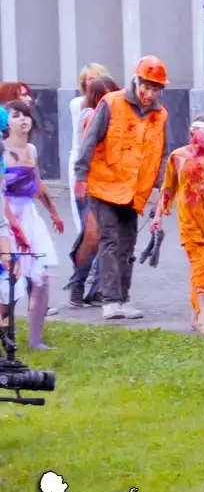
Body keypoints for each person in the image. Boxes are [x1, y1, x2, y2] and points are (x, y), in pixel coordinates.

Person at [73, 56, 170, 321]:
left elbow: (161, 154)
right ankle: (111, 301)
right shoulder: (111, 103)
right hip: (104, 185)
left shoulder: (160, 115)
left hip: (134, 191)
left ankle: (123, 298)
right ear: (136, 81)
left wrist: (163, 188)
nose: (149, 94)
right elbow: (90, 139)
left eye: (156, 89)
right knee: (110, 241)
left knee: (127, 245)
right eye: (146, 86)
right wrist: (80, 175)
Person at [157, 113, 204, 336]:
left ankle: (197, 315)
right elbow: (168, 188)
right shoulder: (178, 157)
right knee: (200, 265)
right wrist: (158, 216)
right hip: (190, 222)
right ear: (194, 129)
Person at [2, 100, 63, 349]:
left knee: (40, 277)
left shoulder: (31, 150)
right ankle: (6, 335)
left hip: (29, 216)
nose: (23, 120)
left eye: (26, 115)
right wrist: (14, 229)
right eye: (16, 115)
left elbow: (38, 184)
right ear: (7, 122)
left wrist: (54, 213)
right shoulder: (2, 151)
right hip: (7, 219)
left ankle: (36, 340)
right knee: (9, 280)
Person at [66, 76, 120, 309]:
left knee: (108, 238)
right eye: (105, 96)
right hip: (92, 184)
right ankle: (77, 286)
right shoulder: (89, 115)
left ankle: (98, 289)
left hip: (111, 184)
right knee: (92, 238)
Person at [66, 64, 111, 239]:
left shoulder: (110, 104)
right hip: (81, 161)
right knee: (83, 212)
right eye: (90, 79)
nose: (94, 83)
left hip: (104, 164)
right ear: (84, 83)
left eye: (98, 77)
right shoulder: (78, 104)